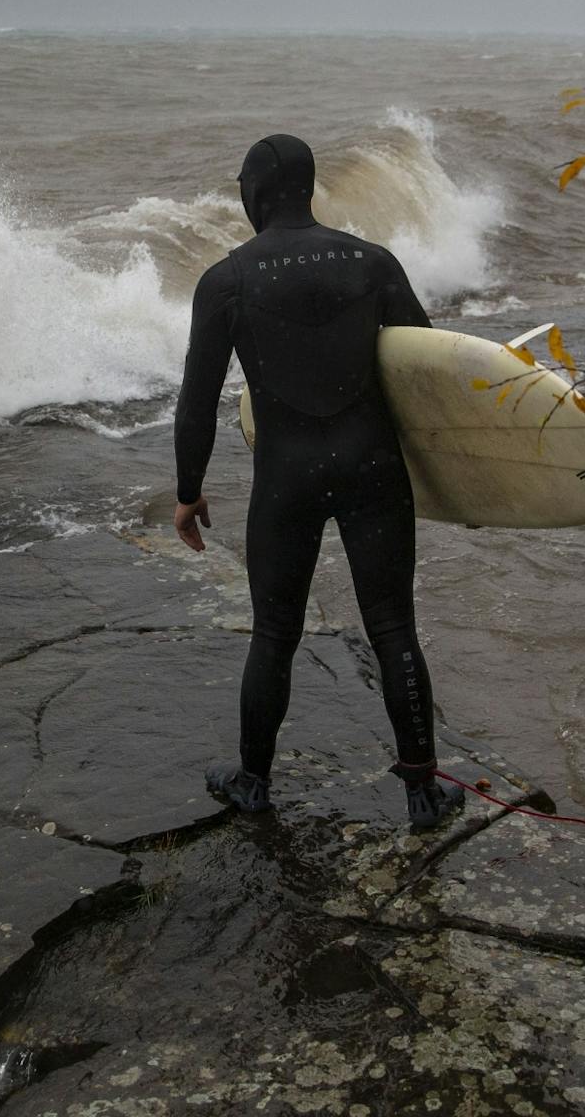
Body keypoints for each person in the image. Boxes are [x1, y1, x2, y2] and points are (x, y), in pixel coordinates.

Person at [171, 133, 465, 832]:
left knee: (274, 632)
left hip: (287, 479)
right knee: (394, 626)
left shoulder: (227, 280)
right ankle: (422, 792)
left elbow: (197, 398)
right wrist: (453, 474)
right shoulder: (372, 262)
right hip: (373, 469)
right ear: (308, 186)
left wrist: (189, 491)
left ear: (258, 192)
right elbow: (423, 364)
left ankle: (253, 782)